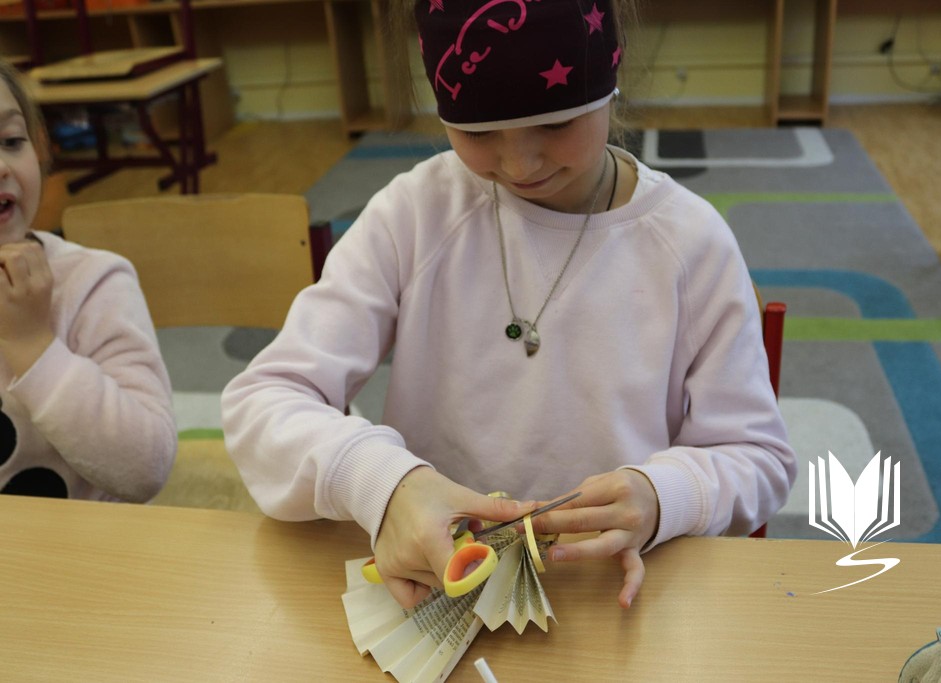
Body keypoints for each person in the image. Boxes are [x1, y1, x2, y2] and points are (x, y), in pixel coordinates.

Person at [222, 0, 796, 610]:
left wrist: (664, 496)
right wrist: (385, 484)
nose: (520, 164)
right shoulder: (414, 215)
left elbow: (756, 457)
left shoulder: (691, 244)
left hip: (614, 594)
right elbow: (265, 401)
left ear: (611, 74)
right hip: (442, 584)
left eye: (556, 124)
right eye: (477, 133)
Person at [0, 59, 176, 501]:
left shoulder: (93, 283)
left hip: (82, 540)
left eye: (11, 141)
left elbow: (146, 466)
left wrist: (32, 344)